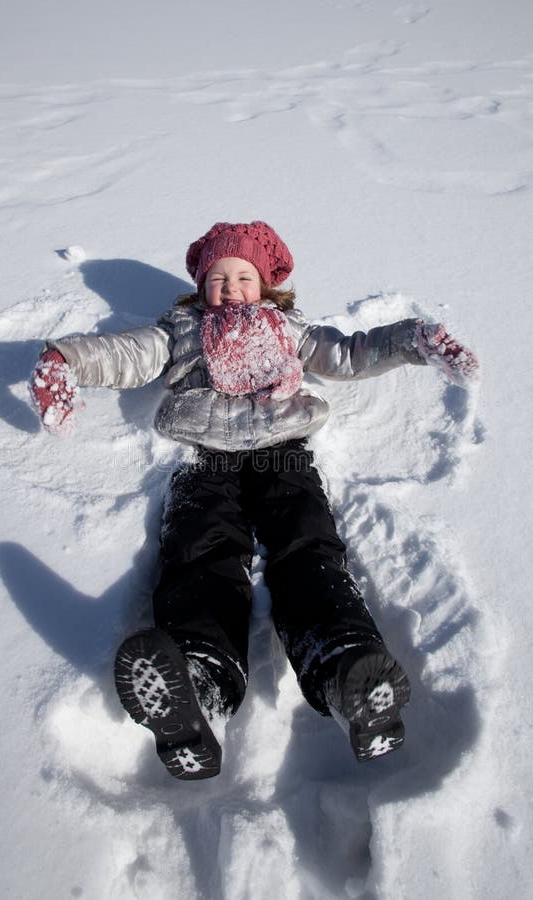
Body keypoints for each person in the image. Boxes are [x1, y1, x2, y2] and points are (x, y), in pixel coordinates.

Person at [30, 221, 479, 781]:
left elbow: (348, 353)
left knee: (307, 546)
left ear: (265, 285)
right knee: (201, 551)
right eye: (217, 276)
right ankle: (199, 684)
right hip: (205, 459)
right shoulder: (183, 329)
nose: (231, 286)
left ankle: (346, 669)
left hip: (284, 453)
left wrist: (413, 339)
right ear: (199, 285)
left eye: (243, 276)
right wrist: (64, 360)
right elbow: (126, 354)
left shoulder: (287, 328)